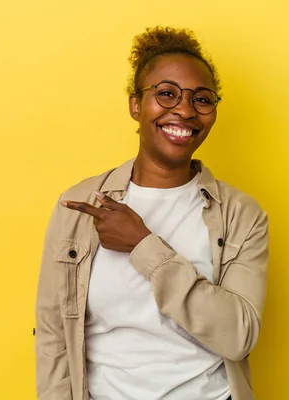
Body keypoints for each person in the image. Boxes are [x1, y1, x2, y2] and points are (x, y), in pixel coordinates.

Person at [35, 26, 269, 400]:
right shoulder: (80, 205)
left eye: (202, 100)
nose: (185, 110)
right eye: (166, 94)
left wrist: (144, 246)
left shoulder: (242, 216)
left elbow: (238, 336)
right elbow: (54, 332)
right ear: (135, 105)